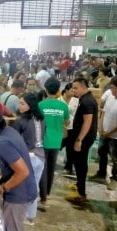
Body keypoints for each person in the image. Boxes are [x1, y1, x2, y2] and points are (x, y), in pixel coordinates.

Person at [92, 77, 117, 190]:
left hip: (116, 137)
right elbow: (104, 112)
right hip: (104, 133)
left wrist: (109, 132)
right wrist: (100, 126)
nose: (110, 89)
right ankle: (101, 174)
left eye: (113, 88)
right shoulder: (110, 96)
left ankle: (114, 179)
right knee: (102, 154)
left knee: (115, 159)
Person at [12, 93, 45, 225]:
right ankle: (30, 216)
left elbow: (14, 140)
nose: (19, 105)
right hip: (40, 157)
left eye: (22, 103)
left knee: (22, 187)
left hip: (27, 157)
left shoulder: (21, 121)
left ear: (29, 105)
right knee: (34, 187)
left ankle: (21, 215)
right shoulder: (41, 119)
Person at [65, 77, 98, 202]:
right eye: (73, 88)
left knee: (80, 164)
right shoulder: (84, 98)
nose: (73, 91)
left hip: (84, 138)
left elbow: (87, 122)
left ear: (84, 87)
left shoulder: (86, 102)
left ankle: (81, 193)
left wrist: (79, 140)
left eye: (76, 88)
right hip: (83, 136)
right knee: (78, 162)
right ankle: (79, 185)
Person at [38, 77, 69, 207]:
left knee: (42, 169)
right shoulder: (63, 106)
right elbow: (67, 123)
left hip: (43, 140)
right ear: (59, 91)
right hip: (56, 141)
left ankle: (43, 198)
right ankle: (47, 194)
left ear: (45, 89)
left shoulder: (40, 105)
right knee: (51, 168)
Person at [58, 83, 79, 174]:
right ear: (66, 91)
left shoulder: (76, 100)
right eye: (72, 90)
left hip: (72, 128)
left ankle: (68, 166)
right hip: (60, 128)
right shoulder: (59, 101)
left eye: (75, 90)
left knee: (70, 148)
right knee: (58, 145)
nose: (74, 92)